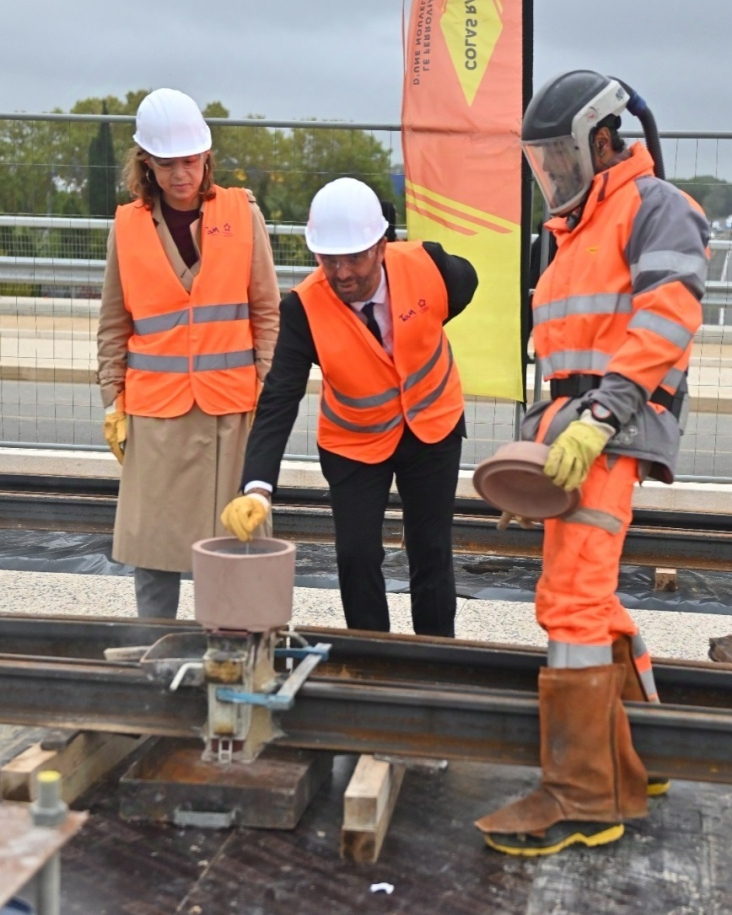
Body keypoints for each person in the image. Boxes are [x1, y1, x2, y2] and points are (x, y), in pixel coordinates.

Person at [476, 71, 709, 855]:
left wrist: (603, 415)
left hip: (610, 431)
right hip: (576, 431)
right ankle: (640, 750)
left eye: (560, 158)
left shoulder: (654, 207)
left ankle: (583, 796)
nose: (553, 176)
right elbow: (566, 360)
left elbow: (668, 316)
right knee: (590, 596)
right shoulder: (576, 229)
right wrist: (542, 441)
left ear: (604, 139)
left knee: (570, 600)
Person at [221, 177, 478, 637]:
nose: (342, 273)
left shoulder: (429, 265)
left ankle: (439, 659)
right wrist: (256, 486)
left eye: (354, 257)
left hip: (432, 425)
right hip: (355, 441)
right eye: (329, 259)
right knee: (357, 555)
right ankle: (372, 658)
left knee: (431, 549)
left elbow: (466, 286)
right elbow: (280, 395)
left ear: (381, 246)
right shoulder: (303, 308)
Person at [97, 88, 280, 618]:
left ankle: (234, 649)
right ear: (147, 164)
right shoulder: (126, 227)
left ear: (206, 159)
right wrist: (114, 401)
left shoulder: (243, 215)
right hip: (156, 415)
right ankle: (157, 652)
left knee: (236, 545)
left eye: (191, 161)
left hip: (230, 411)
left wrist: (264, 394)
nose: (182, 174)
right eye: (168, 163)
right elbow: (114, 322)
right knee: (154, 552)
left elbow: (267, 312)